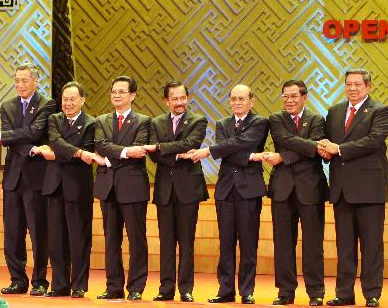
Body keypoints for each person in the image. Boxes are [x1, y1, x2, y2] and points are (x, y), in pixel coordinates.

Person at [317, 69, 388, 308]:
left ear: (368, 87)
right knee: (345, 246)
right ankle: (344, 294)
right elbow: (328, 144)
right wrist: (325, 151)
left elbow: (374, 141)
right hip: (341, 190)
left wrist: (338, 149)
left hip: (370, 190)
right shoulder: (335, 111)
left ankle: (372, 294)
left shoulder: (380, 111)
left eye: (358, 84)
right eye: (349, 84)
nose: (352, 88)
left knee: (371, 246)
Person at [188, 84, 268, 305]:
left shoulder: (260, 122)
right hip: (225, 190)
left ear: (251, 101)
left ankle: (246, 291)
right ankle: (225, 290)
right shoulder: (223, 123)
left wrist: (211, 151)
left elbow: (242, 142)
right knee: (225, 244)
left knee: (249, 243)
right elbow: (228, 151)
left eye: (242, 98)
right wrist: (250, 157)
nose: (237, 102)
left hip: (249, 190)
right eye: (233, 99)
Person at [0, 63, 56, 296]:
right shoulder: (8, 106)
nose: (20, 85)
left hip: (36, 178)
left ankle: (40, 281)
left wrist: (5, 136)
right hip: (13, 178)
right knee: (13, 233)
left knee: (38, 232)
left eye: (25, 80)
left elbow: (35, 132)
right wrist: (31, 148)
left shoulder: (47, 104)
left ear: (36, 81)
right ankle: (17, 280)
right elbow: (10, 140)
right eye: (17, 80)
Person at [144, 81, 208, 303]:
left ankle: (186, 288)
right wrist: (178, 155)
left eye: (183, 98)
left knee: (187, 242)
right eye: (175, 99)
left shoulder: (198, 120)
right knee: (166, 242)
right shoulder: (156, 123)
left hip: (188, 188)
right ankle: (166, 288)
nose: (180, 102)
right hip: (164, 189)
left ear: (187, 98)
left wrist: (161, 147)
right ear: (166, 101)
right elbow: (153, 155)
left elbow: (191, 142)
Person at [265, 80, 327, 306]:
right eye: (285, 96)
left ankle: (316, 292)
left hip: (311, 188)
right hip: (282, 189)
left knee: (313, 243)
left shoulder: (317, 119)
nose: (289, 101)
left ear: (304, 97)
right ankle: (285, 291)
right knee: (283, 243)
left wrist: (283, 156)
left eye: (294, 96)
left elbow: (316, 149)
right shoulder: (276, 119)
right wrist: (310, 146)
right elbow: (285, 140)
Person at [93, 75, 150, 301]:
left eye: (122, 92)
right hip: (108, 187)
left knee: (137, 240)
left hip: (133, 187)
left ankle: (136, 287)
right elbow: (100, 145)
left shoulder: (143, 121)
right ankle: (113, 286)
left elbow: (140, 149)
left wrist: (114, 153)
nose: (116, 95)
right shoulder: (101, 120)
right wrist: (125, 152)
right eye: (114, 91)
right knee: (111, 240)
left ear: (132, 95)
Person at [39, 81, 96, 298]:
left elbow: (87, 150)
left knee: (79, 238)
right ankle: (59, 284)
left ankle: (79, 284)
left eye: (73, 99)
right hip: (54, 185)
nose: (68, 103)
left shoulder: (91, 123)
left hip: (78, 187)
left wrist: (57, 154)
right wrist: (78, 153)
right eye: (65, 99)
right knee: (56, 238)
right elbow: (55, 141)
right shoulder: (54, 119)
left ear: (82, 100)